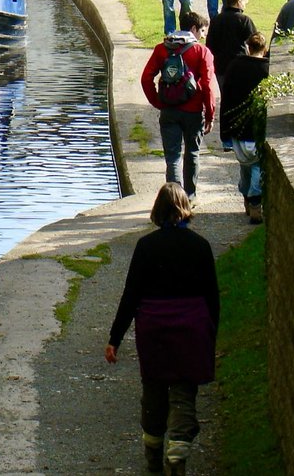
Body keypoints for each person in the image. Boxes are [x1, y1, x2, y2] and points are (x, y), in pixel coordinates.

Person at [106, 183, 220, 476]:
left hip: (154, 329)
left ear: (157, 211)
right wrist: (211, 338)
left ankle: (153, 457)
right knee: (183, 391)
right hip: (191, 329)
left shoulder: (146, 247)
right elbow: (212, 299)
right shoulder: (201, 246)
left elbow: (130, 296)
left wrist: (114, 339)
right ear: (185, 209)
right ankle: (177, 451)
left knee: (154, 390)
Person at [141, 10, 215, 202]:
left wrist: (157, 101)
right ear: (193, 29)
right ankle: (189, 197)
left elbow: (146, 78)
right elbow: (207, 85)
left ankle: (174, 200)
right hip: (193, 111)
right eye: (203, 31)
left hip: (169, 110)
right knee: (192, 153)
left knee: (172, 157)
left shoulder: (161, 49)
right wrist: (210, 115)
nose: (203, 35)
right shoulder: (202, 52)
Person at [221, 32, 270, 224]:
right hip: (257, 126)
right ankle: (254, 200)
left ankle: (247, 196)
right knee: (257, 164)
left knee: (245, 165)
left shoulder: (234, 66)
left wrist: (224, 130)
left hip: (238, 126)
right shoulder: (267, 70)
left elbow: (226, 98)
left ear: (248, 47)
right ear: (264, 49)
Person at [203, 0, 256, 151]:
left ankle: (226, 140)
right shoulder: (245, 20)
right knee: (241, 100)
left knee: (226, 100)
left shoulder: (217, 20)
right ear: (239, 2)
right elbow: (255, 43)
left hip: (221, 66)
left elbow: (210, 45)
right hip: (240, 66)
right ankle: (241, 136)